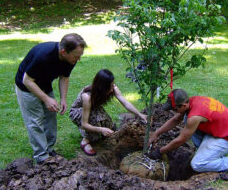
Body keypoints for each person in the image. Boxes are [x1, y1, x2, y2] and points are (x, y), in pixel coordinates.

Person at [147, 89, 228, 174]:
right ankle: (208, 154)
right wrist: (157, 132)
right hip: (219, 132)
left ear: (184, 105)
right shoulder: (192, 102)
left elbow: (180, 140)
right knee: (186, 118)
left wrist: (160, 152)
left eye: (175, 109)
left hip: (227, 139)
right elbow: (175, 120)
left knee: (197, 164)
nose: (173, 111)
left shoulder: (195, 116)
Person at [15, 33, 87, 164]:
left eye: (80, 55)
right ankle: (41, 157)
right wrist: (47, 99)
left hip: (45, 84)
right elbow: (27, 80)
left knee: (50, 117)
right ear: (64, 51)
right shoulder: (43, 55)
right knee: (35, 121)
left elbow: (64, 77)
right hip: (27, 87)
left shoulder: (71, 58)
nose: (78, 59)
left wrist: (63, 99)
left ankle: (49, 149)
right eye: (77, 56)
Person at [69, 69, 147, 156]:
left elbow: (125, 103)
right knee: (96, 126)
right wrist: (100, 129)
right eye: (109, 87)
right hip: (78, 112)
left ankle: (98, 130)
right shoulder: (87, 96)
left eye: (112, 85)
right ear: (101, 87)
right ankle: (85, 140)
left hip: (94, 109)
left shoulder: (112, 88)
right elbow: (84, 124)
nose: (111, 89)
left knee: (108, 125)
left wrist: (140, 115)